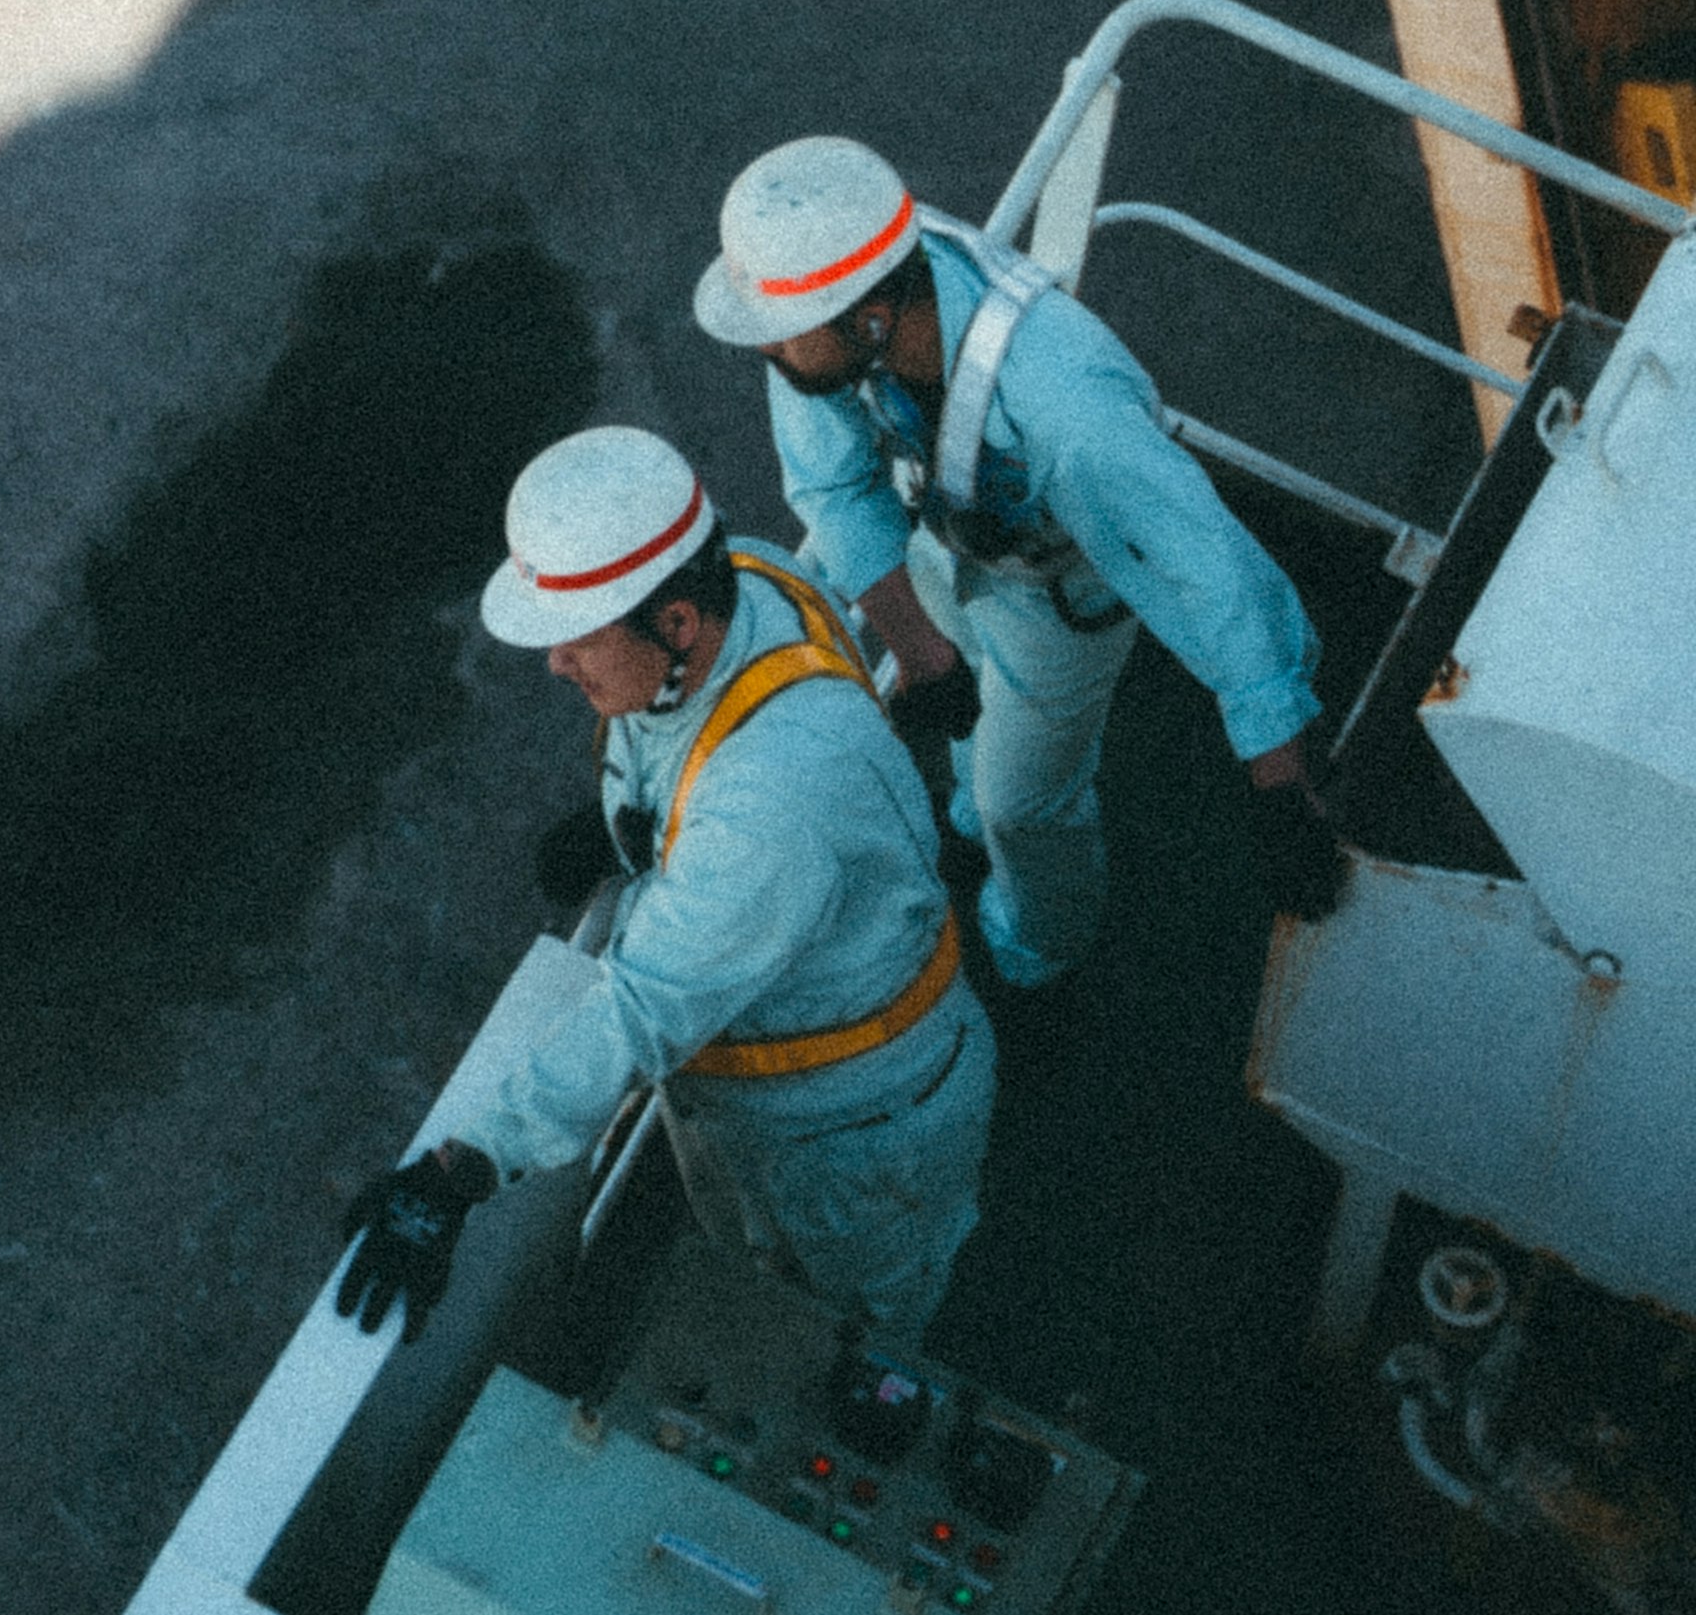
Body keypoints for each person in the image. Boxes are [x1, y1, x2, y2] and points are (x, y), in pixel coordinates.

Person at [336, 427, 995, 1361]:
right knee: (763, 1268)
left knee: (862, 1332)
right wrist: (616, 828)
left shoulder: (772, 803)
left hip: (855, 1142)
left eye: (574, 636)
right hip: (784, 1107)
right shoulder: (756, 577)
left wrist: (456, 1173)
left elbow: (640, 1010)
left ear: (678, 623)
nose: (556, 662)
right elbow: (672, 744)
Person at [695, 135, 1347, 992]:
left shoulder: (1067, 408)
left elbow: (1208, 569)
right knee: (972, 736)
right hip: (949, 538)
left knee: (1024, 805)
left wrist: (1278, 783)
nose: (765, 354)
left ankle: (1040, 942)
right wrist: (922, 652)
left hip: (1060, 590)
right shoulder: (834, 318)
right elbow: (838, 486)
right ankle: (969, 804)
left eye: (778, 338)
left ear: (872, 316)